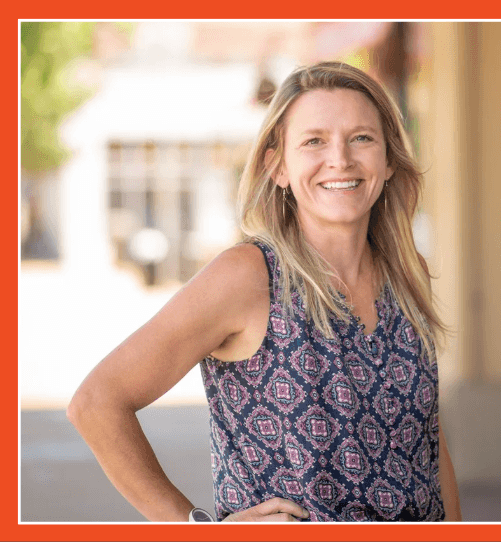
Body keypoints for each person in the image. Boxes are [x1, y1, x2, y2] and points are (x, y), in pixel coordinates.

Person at [68, 61, 462, 522]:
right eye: (314, 141)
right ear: (278, 167)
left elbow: (428, 445)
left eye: (362, 138)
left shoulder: (408, 272)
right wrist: (195, 527)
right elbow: (96, 403)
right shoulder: (248, 277)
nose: (340, 159)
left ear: (389, 159)